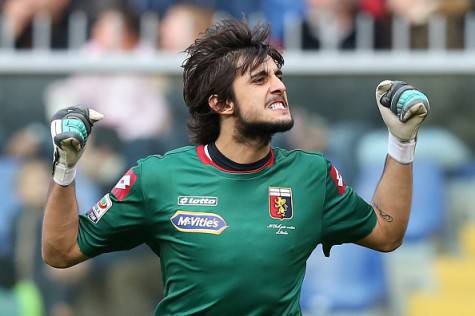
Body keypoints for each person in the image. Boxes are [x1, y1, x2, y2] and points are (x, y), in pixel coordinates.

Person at [42, 19, 430, 315]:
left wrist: (401, 142)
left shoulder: (313, 176)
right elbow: (61, 251)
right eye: (260, 79)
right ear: (221, 104)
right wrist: (66, 170)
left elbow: (386, 233)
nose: (278, 86)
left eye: (278, 76)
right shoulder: (156, 177)